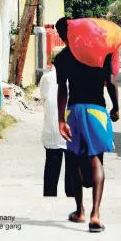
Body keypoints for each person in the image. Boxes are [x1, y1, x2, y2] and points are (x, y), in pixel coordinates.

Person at [54, 17, 120, 233]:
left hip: (74, 110)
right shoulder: (101, 51)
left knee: (74, 161)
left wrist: (61, 119)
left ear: (63, 36)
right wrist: (116, 107)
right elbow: (110, 83)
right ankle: (95, 214)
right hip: (96, 111)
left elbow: (62, 89)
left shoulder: (63, 57)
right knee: (96, 159)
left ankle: (80, 211)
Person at [40, 47, 71, 197]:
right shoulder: (73, 74)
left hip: (52, 128)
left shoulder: (46, 78)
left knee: (52, 165)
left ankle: (49, 196)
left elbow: (44, 99)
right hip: (70, 127)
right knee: (72, 166)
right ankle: (71, 196)